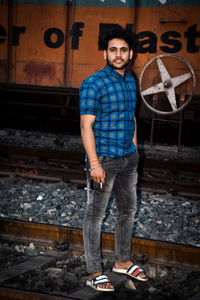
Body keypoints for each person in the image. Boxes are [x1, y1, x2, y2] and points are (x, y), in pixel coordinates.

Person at [79, 26, 148, 292]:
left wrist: (135, 149)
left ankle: (122, 261)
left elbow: (131, 115)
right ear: (104, 53)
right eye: (112, 50)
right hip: (104, 159)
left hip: (128, 158)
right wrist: (94, 163)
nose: (118, 55)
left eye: (123, 50)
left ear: (130, 53)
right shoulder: (93, 83)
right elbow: (86, 126)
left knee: (127, 211)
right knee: (95, 215)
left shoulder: (131, 79)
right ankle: (94, 270)